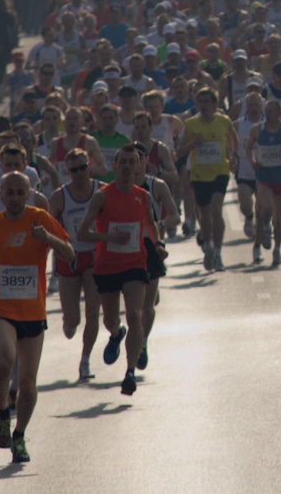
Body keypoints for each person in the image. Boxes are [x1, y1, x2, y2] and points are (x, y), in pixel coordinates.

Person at [0, 172, 73, 463]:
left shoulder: (40, 218)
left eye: (20, 193)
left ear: (28, 194)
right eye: (9, 192)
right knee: (3, 360)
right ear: (0, 194)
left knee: (27, 383)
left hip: (33, 312)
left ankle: (19, 435)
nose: (15, 198)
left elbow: (69, 252)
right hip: (1, 308)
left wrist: (47, 237)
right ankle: (3, 410)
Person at [76, 144, 164, 396]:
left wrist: (157, 244)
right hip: (107, 265)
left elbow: (150, 224)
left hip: (135, 263)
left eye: (131, 162)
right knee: (110, 320)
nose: (127, 166)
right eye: (122, 162)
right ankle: (116, 335)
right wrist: (109, 236)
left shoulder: (143, 196)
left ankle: (129, 372)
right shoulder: (102, 196)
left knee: (135, 314)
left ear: (138, 166)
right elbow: (82, 232)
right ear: (115, 166)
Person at [47, 150, 101, 382]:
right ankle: (68, 323)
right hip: (69, 257)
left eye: (82, 167)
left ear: (90, 166)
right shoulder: (60, 196)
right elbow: (49, 228)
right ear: (67, 171)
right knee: (73, 320)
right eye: (74, 170)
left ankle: (85, 360)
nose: (79, 173)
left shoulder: (102, 190)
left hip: (95, 256)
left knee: (92, 312)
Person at [175, 87, 238, 272]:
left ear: (214, 103)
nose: (202, 105)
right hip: (199, 174)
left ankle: (218, 254)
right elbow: (178, 150)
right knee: (205, 215)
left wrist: (234, 157)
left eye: (206, 101)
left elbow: (234, 140)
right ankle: (208, 247)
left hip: (220, 171)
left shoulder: (224, 121)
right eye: (199, 102)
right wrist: (194, 144)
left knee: (217, 211)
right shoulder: (192, 124)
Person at [132, 143, 180, 371]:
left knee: (146, 306)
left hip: (151, 247)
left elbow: (175, 216)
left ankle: (142, 344)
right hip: (125, 248)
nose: (134, 164)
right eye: (129, 160)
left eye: (138, 159)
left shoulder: (156, 185)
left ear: (145, 162)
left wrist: (156, 226)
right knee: (132, 306)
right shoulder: (115, 189)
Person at [244, 100, 281, 267]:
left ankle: (277, 249)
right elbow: (248, 149)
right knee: (266, 209)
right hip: (264, 178)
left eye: (271, 111)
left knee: (279, 217)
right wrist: (252, 161)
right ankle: (264, 233)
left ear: (279, 113)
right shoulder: (257, 129)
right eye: (265, 111)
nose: (267, 114)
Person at [234, 92, 264, 240]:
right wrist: (231, 158)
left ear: (262, 106)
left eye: (256, 105)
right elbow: (229, 144)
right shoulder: (238, 124)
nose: (253, 108)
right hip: (244, 171)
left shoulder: (268, 124)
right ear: (246, 106)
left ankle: (259, 233)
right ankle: (249, 217)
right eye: (250, 105)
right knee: (246, 206)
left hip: (264, 173)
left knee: (262, 208)